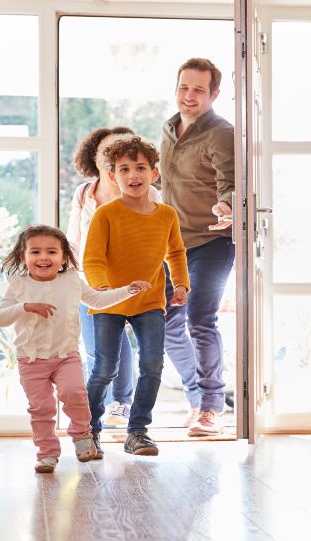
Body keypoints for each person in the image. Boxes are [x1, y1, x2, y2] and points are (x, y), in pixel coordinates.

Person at [0, 225, 148, 473]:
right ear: (23, 257)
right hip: (30, 360)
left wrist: (128, 290)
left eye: (51, 251)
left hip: (66, 356)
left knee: (75, 393)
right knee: (41, 408)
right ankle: (47, 454)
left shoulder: (72, 281)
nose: (44, 257)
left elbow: (97, 300)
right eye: (35, 252)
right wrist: (25, 307)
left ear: (63, 257)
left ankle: (82, 436)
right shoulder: (18, 286)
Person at [84, 136, 190, 456]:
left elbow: (176, 253)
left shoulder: (167, 215)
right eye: (124, 169)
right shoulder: (106, 214)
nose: (133, 175)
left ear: (154, 174)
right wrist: (103, 289)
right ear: (113, 176)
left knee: (153, 365)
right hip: (109, 301)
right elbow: (93, 259)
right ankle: (88, 430)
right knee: (105, 368)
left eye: (140, 168)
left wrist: (181, 284)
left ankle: (138, 431)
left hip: (149, 302)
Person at [67, 126, 163, 427]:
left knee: (140, 354)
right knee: (100, 354)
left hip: (134, 284)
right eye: (111, 153)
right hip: (90, 281)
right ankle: (89, 419)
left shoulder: (147, 194)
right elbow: (74, 238)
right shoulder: (84, 193)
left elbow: (159, 239)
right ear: (100, 159)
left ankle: (121, 404)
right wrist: (70, 274)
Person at [159, 57, 236, 436]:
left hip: (211, 241)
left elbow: (230, 182)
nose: (189, 96)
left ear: (214, 94)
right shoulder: (169, 128)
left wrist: (226, 203)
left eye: (198, 90)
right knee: (169, 323)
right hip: (172, 244)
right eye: (183, 87)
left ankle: (212, 407)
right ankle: (195, 399)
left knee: (200, 321)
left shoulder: (221, 133)